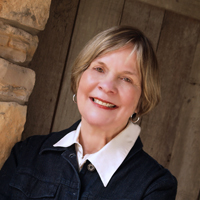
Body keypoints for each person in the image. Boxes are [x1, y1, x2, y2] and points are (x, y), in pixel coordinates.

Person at [0, 26, 177, 199]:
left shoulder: (155, 186)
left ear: (141, 100)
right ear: (79, 78)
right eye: (99, 69)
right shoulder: (27, 153)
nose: (107, 86)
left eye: (126, 79)